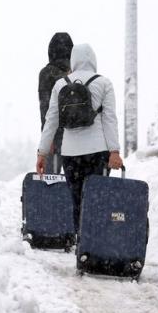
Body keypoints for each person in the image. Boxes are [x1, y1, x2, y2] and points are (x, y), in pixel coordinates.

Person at [36, 43, 123, 234]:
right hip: (97, 152)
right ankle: (95, 244)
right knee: (96, 200)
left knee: (76, 201)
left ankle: (81, 244)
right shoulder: (104, 83)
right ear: (93, 60)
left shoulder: (60, 84)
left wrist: (42, 153)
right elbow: (109, 119)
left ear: (73, 60)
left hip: (70, 153)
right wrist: (114, 151)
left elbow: (51, 120)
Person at [38, 33, 74, 174]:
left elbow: (45, 107)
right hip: (76, 135)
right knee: (72, 182)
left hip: (55, 133)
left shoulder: (47, 73)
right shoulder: (74, 73)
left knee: (50, 183)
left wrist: (47, 139)